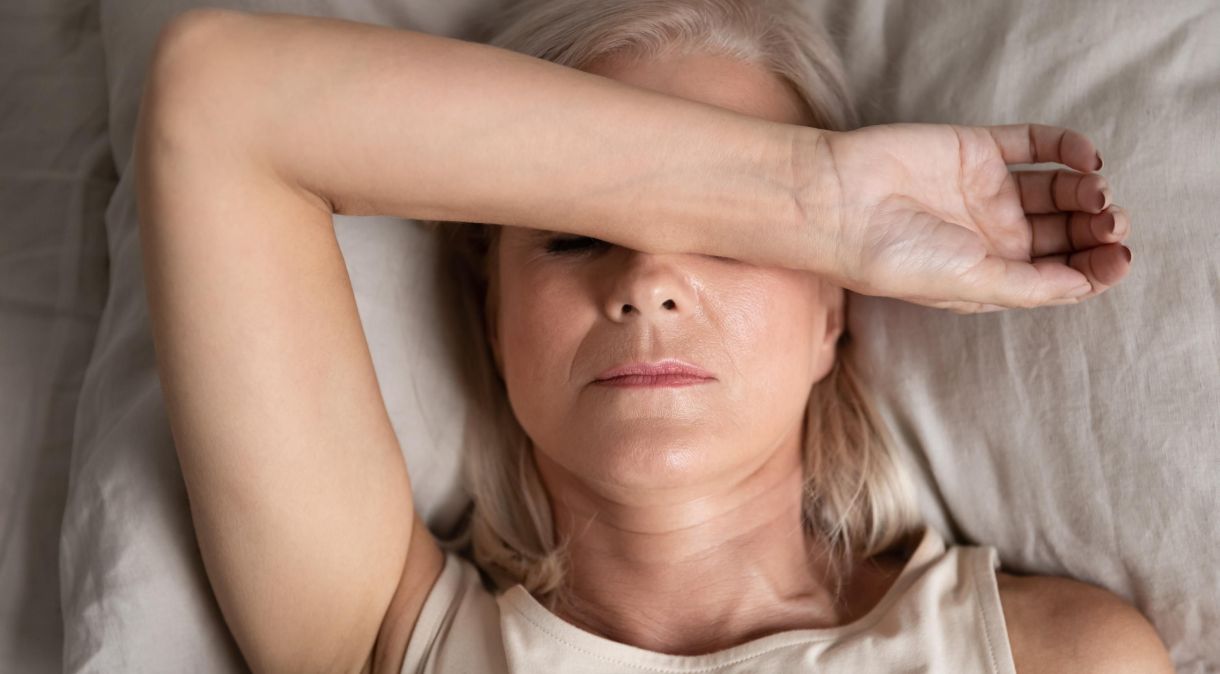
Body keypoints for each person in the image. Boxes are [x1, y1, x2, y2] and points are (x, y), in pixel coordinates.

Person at [134, 1, 1167, 672]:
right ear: (492, 311)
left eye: (731, 240)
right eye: (573, 237)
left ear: (834, 309)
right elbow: (216, 99)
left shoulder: (1052, 657)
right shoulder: (384, 638)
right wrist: (804, 194)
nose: (646, 285)